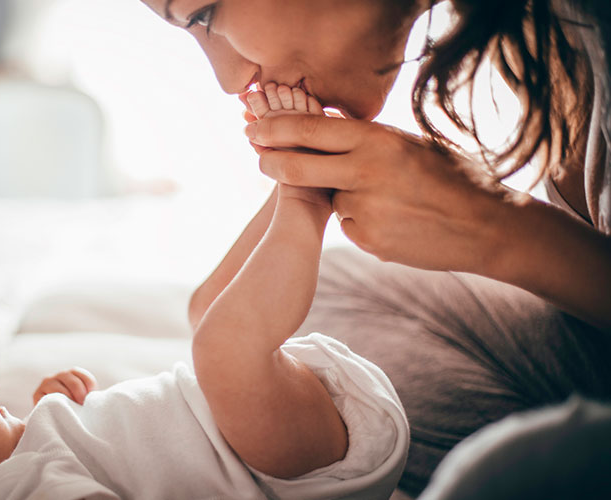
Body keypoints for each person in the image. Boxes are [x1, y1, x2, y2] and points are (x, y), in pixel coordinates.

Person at [0, 88, 409, 500]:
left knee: (204, 311)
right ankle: (302, 192)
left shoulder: (24, 459)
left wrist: (63, 410)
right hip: (271, 460)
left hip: (256, 426)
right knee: (222, 345)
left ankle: (287, 185)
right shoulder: (17, 492)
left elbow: (118, 457)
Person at [141, 0, 611, 496]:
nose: (230, 80)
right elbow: (211, 315)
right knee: (302, 300)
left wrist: (499, 228)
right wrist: (303, 194)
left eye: (206, 14)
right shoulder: (550, 28)